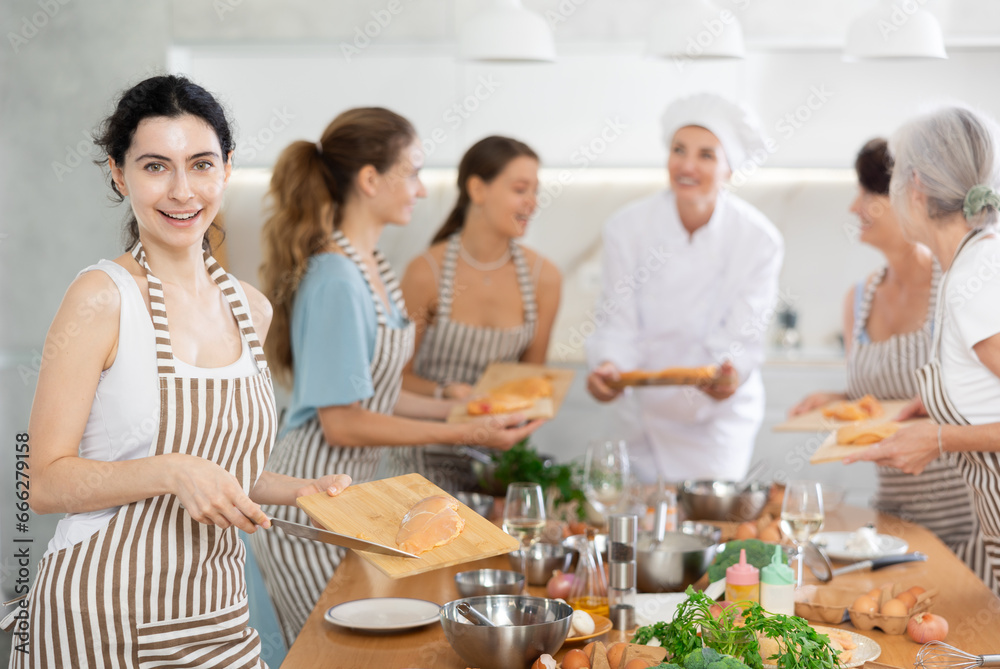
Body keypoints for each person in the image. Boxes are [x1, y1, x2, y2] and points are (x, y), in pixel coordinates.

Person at [9, 75, 349, 669]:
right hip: (100, 619)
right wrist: (171, 470)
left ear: (226, 168)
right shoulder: (101, 298)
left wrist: (300, 490)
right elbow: (43, 483)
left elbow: (221, 468)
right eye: (155, 166)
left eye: (200, 164)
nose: (182, 190)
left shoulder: (250, 308)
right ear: (119, 174)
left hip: (219, 614)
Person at [252, 109, 542, 644]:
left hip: (350, 498)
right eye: (411, 172)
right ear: (370, 179)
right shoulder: (337, 277)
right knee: (334, 656)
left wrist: (469, 411)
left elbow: (382, 396)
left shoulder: (371, 266)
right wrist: (464, 432)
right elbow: (343, 423)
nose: (422, 189)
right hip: (309, 502)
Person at [585, 93, 784, 483]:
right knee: (639, 528)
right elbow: (616, 322)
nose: (688, 165)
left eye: (707, 154)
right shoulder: (626, 228)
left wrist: (728, 374)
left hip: (716, 426)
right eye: (679, 150)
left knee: (706, 527)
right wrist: (608, 367)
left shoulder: (758, 239)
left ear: (730, 168)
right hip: (642, 415)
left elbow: (742, 337)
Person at [789, 139, 975, 554]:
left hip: (966, 526)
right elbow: (880, 400)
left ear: (911, 199)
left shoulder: (959, 288)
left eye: (869, 193)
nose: (855, 208)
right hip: (893, 524)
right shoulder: (859, 299)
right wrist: (837, 399)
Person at [846, 106, 1000, 595]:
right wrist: (929, 408)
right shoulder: (972, 264)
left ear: (914, 188)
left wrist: (937, 439)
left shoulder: (971, 282)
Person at [399, 135, 562, 491]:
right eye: (521, 189)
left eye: (535, 191)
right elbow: (395, 379)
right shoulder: (426, 272)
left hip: (496, 459)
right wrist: (447, 392)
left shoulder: (544, 278)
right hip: (421, 456)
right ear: (477, 189)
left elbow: (531, 383)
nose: (533, 203)